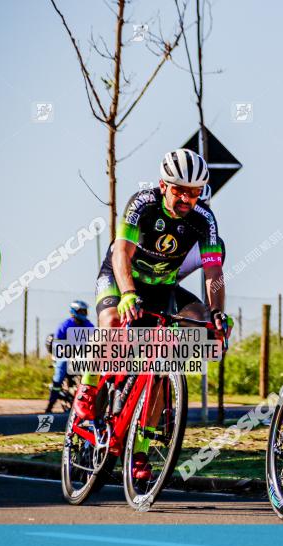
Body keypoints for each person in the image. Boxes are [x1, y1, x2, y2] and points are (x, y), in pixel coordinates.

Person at [72, 148, 231, 480]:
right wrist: (128, 294)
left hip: (162, 287)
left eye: (194, 191)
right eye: (179, 190)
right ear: (164, 184)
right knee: (113, 322)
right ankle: (86, 395)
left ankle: (140, 452)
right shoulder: (141, 204)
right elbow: (121, 254)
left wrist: (217, 316)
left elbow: (213, 273)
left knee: (170, 355)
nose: (187, 198)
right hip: (121, 277)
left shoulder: (205, 219)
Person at [45, 301, 94, 413]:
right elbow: (57, 343)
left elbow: (95, 339)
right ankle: (50, 406)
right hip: (65, 354)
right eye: (81, 311)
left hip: (82, 355)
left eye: (85, 311)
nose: (84, 313)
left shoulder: (89, 325)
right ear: (74, 312)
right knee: (59, 375)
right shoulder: (65, 325)